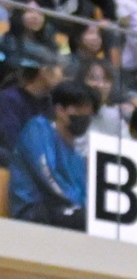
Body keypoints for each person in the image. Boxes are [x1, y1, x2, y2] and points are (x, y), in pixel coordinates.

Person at [9, 77, 86, 226]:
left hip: (63, 210)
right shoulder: (37, 129)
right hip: (32, 210)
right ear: (60, 110)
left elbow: (83, 188)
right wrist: (81, 205)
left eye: (87, 110)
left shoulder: (76, 150)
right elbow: (48, 175)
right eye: (78, 108)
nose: (84, 114)